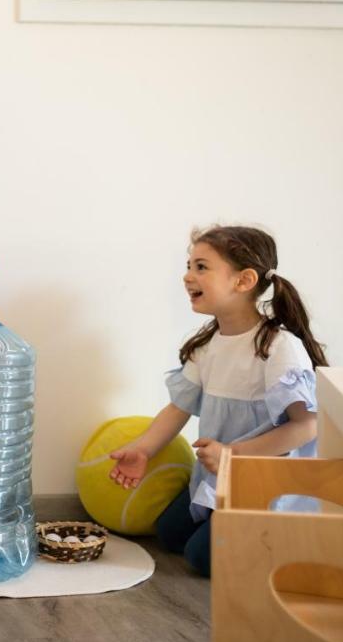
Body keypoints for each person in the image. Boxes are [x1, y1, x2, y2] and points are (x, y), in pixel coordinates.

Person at [108, 226, 328, 577]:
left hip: (263, 477)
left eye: (200, 267)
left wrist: (232, 456)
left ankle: (287, 536)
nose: (187, 276)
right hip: (219, 471)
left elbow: (306, 426)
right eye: (189, 265)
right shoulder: (209, 344)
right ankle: (227, 518)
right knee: (169, 535)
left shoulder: (277, 346)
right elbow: (178, 408)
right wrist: (143, 450)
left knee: (201, 558)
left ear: (243, 281)